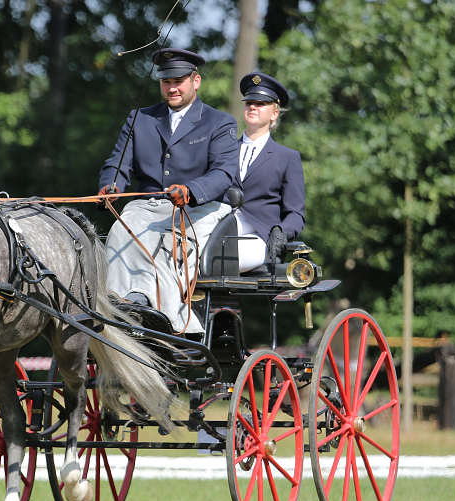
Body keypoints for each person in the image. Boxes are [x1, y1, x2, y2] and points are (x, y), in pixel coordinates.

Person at [98, 48, 239, 334]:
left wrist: (190, 190)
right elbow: (118, 163)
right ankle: (117, 305)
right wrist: (111, 185)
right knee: (121, 230)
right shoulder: (140, 118)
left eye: (179, 81)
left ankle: (164, 315)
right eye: (166, 82)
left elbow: (224, 173)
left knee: (168, 243)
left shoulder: (220, 122)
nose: (172, 87)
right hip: (148, 205)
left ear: (195, 81)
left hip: (200, 206)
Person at [235, 73, 305, 272]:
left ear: (274, 113)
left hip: (260, 236)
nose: (253, 107)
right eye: (249, 102)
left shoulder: (287, 157)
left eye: (261, 103)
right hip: (221, 228)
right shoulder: (224, 149)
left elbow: (296, 214)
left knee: (220, 257)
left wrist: (281, 232)